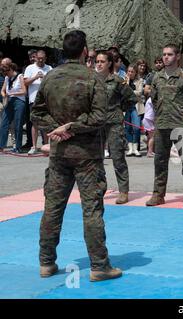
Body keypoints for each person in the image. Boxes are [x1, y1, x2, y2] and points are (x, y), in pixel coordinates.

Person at [30, 30, 122, 281]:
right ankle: (99, 265)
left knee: (52, 208)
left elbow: (36, 114)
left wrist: (57, 129)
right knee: (91, 210)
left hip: (59, 154)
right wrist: (71, 127)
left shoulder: (50, 78)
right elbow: (99, 117)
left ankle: (46, 262)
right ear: (85, 51)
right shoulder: (93, 79)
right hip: (87, 156)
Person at [145, 44, 183, 208]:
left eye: (169, 54)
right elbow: (154, 100)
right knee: (160, 161)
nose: (166, 57)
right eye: (164, 54)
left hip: (180, 125)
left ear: (177, 56)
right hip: (162, 125)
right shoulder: (156, 77)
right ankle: (158, 194)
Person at [95, 50, 137, 205]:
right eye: (97, 61)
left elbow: (131, 97)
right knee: (97, 158)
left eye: (102, 61)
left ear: (109, 63)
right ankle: (100, 188)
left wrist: (120, 108)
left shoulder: (117, 81)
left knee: (118, 157)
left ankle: (123, 191)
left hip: (114, 123)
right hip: (97, 124)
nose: (99, 64)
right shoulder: (93, 80)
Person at [24, 50, 53, 155]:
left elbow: (53, 82)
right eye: (38, 58)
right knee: (34, 124)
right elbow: (25, 82)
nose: (40, 60)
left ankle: (45, 146)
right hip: (34, 100)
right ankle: (34, 146)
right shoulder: (30, 68)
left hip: (46, 100)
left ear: (45, 58)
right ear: (35, 57)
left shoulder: (49, 68)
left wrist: (44, 78)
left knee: (45, 123)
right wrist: (35, 77)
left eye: (42, 58)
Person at [0, 61, 27, 153]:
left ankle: (18, 147)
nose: (6, 75)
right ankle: (1, 146)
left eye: (7, 73)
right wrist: (4, 95)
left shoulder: (20, 76)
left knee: (18, 124)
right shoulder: (7, 78)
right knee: (4, 123)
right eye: (4, 74)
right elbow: (3, 90)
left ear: (11, 70)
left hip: (19, 101)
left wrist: (12, 93)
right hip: (9, 101)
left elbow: (24, 91)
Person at [124, 64, 144, 157]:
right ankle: (130, 148)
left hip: (136, 107)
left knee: (136, 127)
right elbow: (123, 93)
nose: (130, 73)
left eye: (132, 71)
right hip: (127, 107)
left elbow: (139, 92)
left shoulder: (140, 81)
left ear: (135, 72)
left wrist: (129, 89)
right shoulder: (124, 81)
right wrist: (127, 84)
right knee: (127, 128)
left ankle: (136, 147)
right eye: (129, 71)